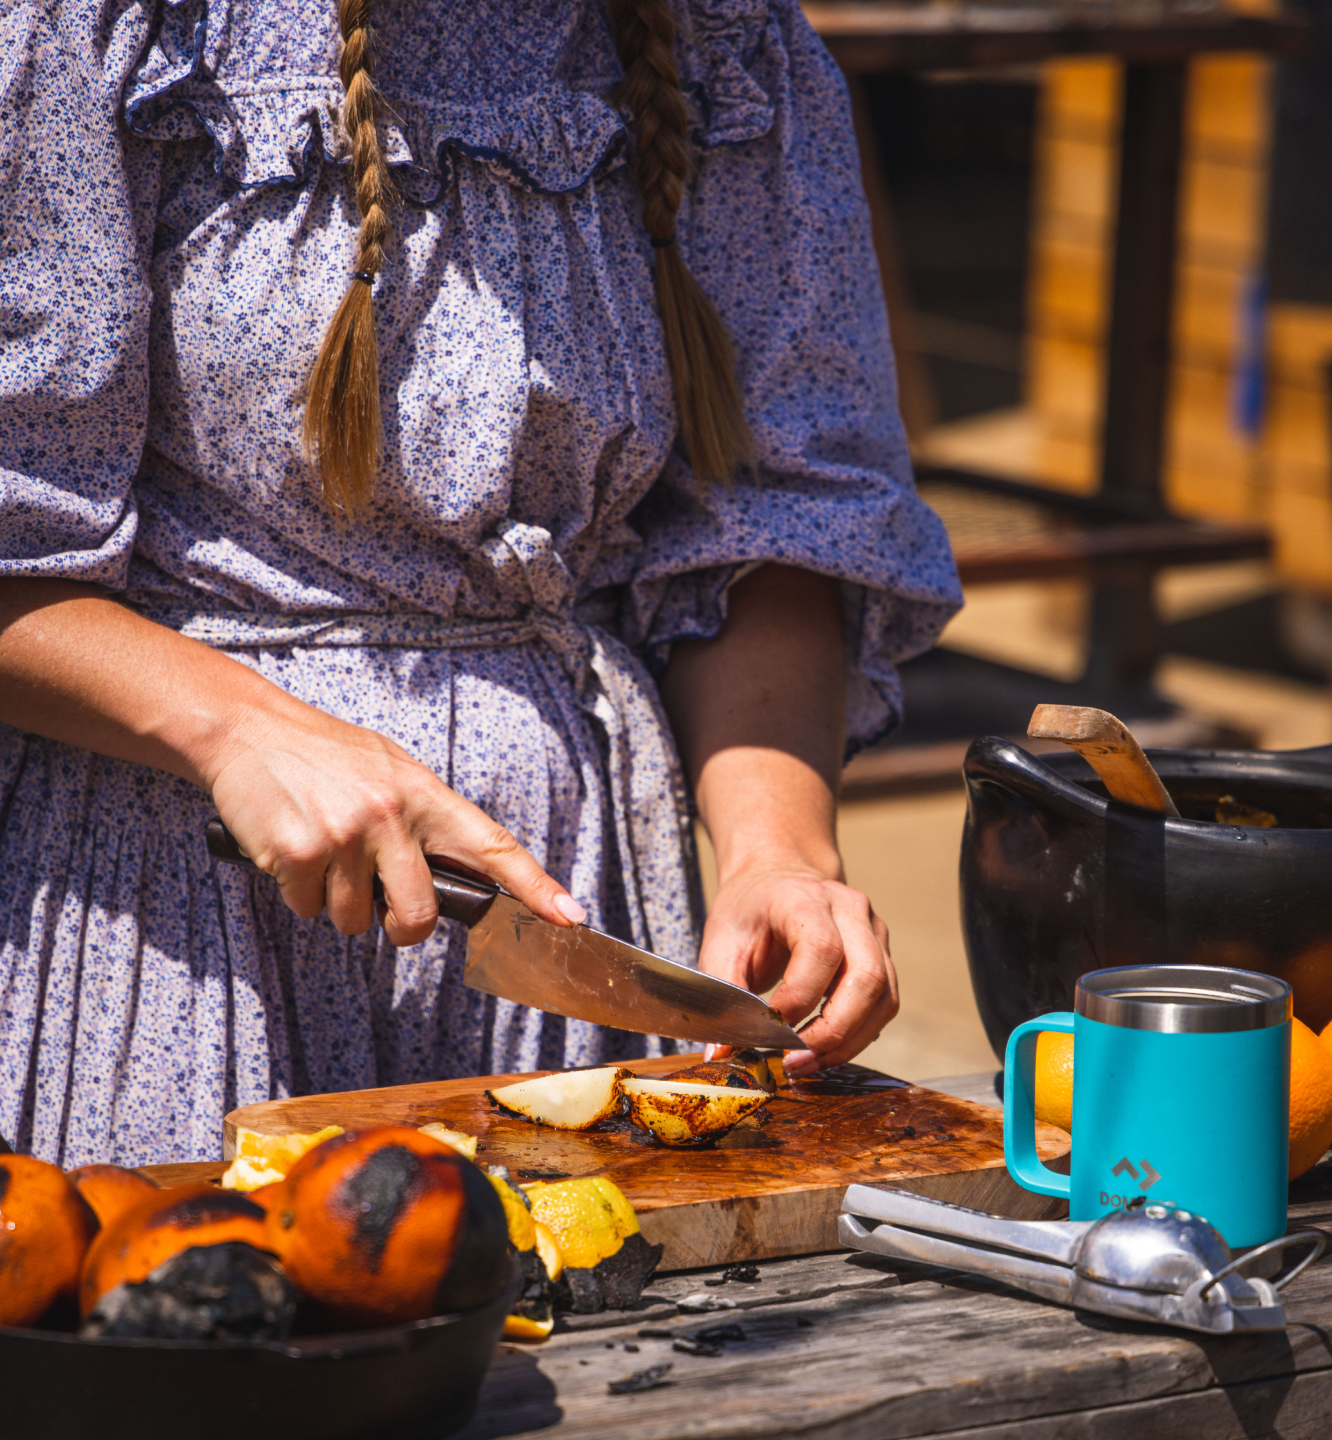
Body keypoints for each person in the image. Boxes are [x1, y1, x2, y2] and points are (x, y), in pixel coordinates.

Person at [0, 0, 961, 1167]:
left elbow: (773, 525)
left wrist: (778, 850)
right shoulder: (107, 29)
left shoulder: (722, 40)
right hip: (181, 905)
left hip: (562, 895)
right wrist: (240, 729)